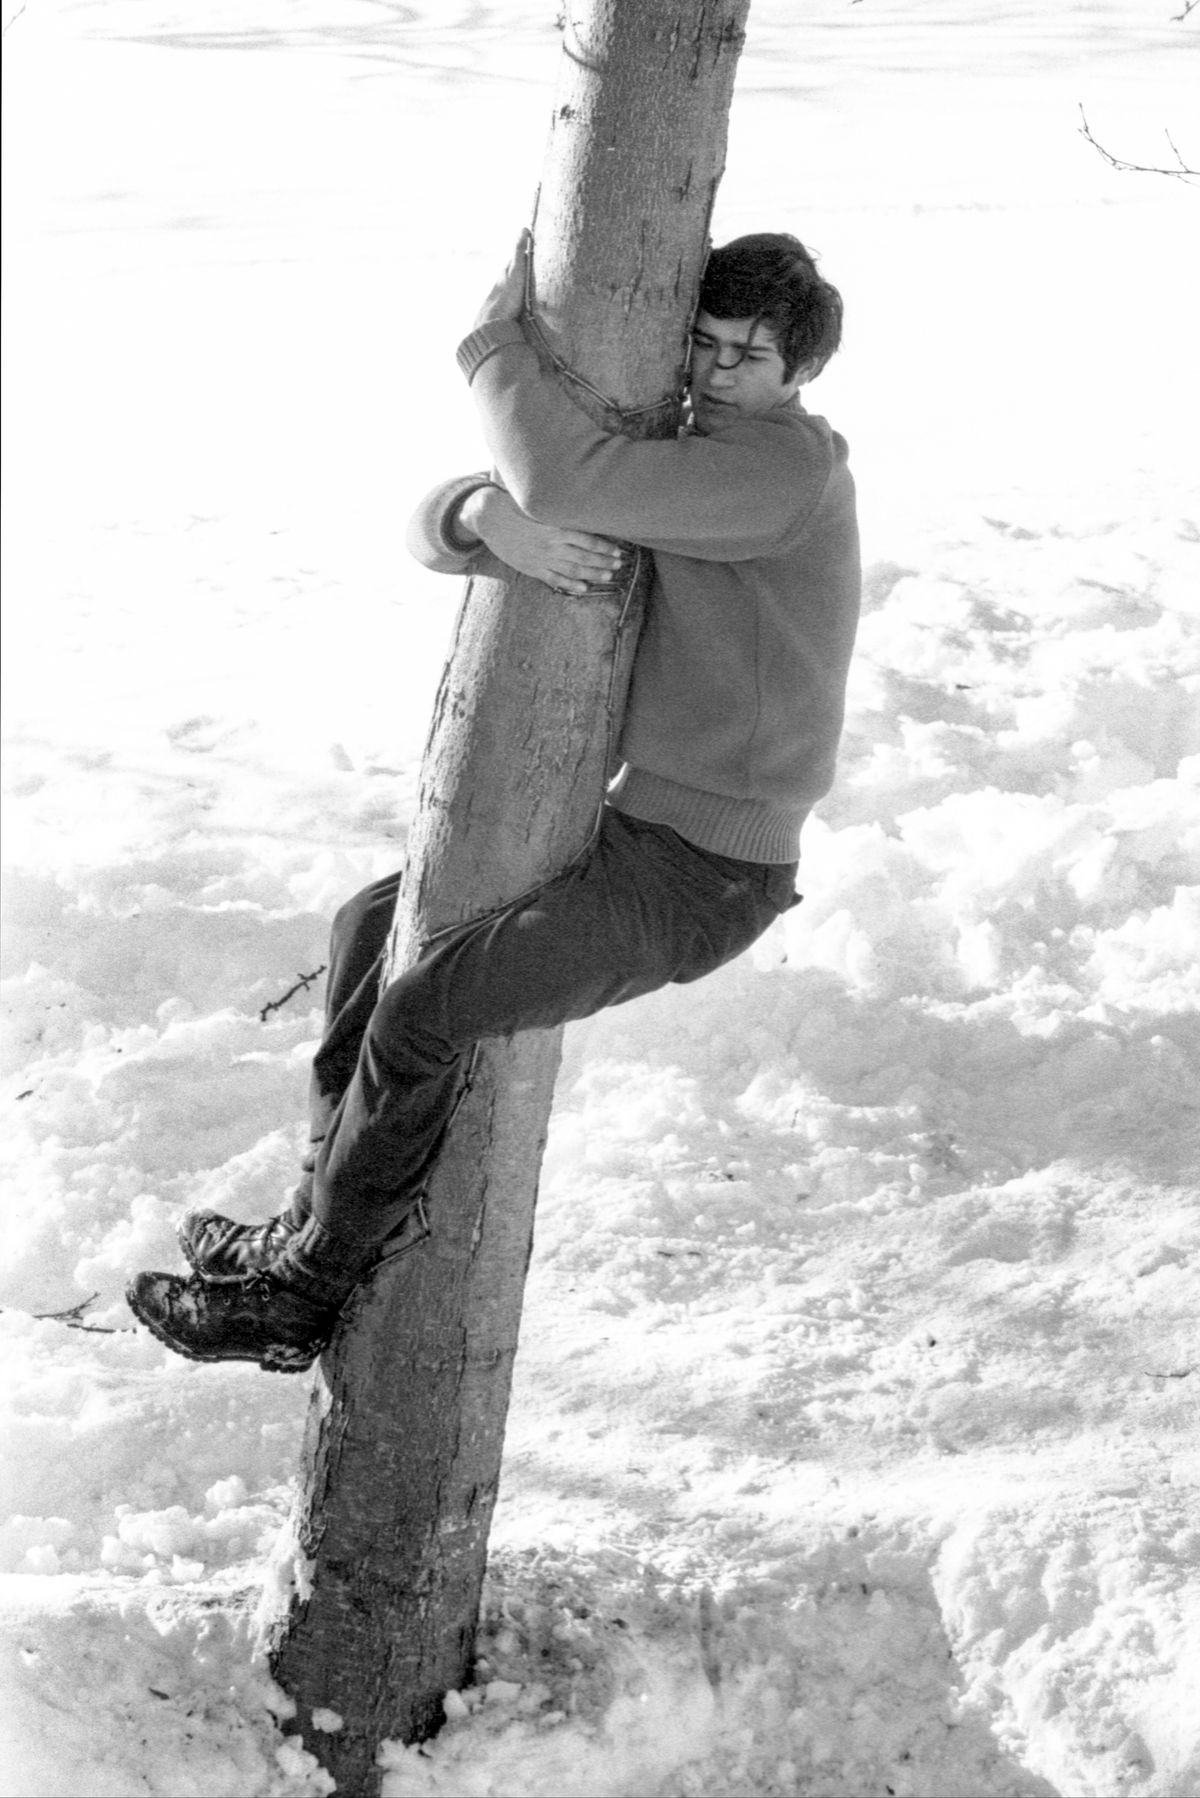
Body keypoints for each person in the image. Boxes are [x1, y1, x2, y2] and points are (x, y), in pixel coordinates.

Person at [127, 230, 861, 1371]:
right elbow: (478, 516)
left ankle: (301, 1290)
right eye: (704, 344)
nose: (718, 373)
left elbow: (564, 477)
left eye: (749, 357)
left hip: (706, 870)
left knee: (424, 1007)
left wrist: (489, 347)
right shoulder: (684, 458)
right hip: (631, 826)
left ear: (798, 371)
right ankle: (310, 1218)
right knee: (368, 926)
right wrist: (484, 518)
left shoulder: (775, 473)